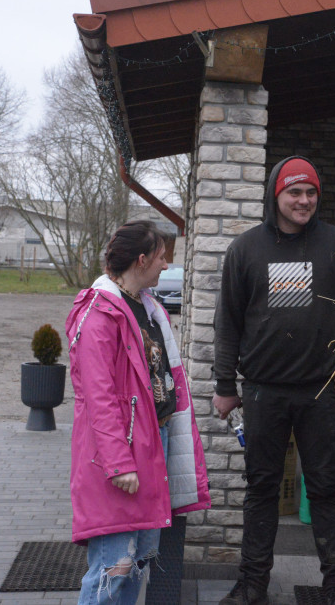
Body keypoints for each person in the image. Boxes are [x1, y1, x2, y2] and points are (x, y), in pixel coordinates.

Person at [212, 156, 335, 605]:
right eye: (294, 192)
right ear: (275, 195)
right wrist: (226, 386)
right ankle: (252, 583)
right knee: (261, 488)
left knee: (326, 488)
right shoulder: (245, 249)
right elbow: (228, 323)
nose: (303, 201)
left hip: (322, 391)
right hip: (264, 390)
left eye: (311, 193)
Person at [66, 220, 211, 605]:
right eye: (162, 257)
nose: (166, 266)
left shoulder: (147, 307)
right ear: (142, 259)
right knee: (114, 568)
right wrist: (119, 463)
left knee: (139, 562)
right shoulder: (98, 314)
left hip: (151, 445)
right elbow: (98, 397)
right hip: (120, 458)